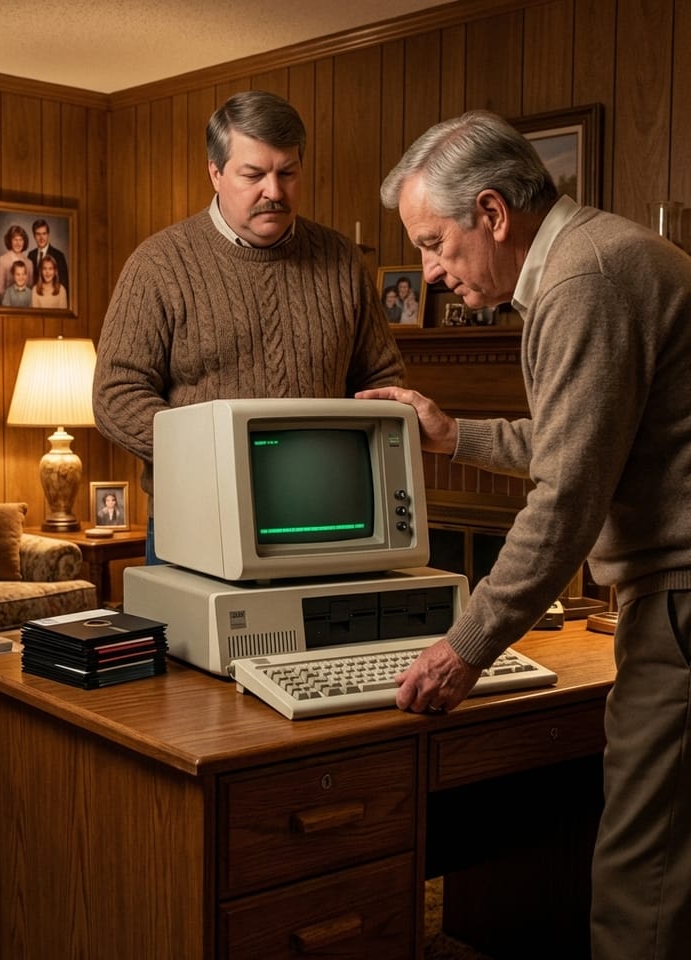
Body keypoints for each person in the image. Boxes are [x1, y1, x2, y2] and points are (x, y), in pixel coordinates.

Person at [357, 109, 691, 960]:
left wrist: (464, 647)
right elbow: (585, 439)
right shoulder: (598, 255)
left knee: (642, 878)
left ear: (493, 213)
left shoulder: (584, 281)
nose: (430, 274)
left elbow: (568, 494)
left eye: (434, 244)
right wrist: (453, 434)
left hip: (680, 601)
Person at [92, 90, 406, 561]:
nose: (274, 192)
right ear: (215, 173)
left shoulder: (343, 261)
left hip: (324, 523)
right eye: (254, 175)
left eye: (287, 173)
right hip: (196, 522)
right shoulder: (158, 264)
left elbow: (384, 382)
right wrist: (223, 458)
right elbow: (115, 395)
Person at [28, 219, 70, 299]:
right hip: (36, 299)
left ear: (48, 235)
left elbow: (64, 285)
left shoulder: (59, 256)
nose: (41, 237)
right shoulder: (31, 255)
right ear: (34, 236)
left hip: (53, 299)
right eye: (38, 234)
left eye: (44, 234)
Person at [0, 224, 33, 301]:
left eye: (21, 240)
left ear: (24, 241)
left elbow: (30, 286)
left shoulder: (29, 263)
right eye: (15, 239)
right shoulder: (2, 260)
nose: (18, 243)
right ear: (10, 241)